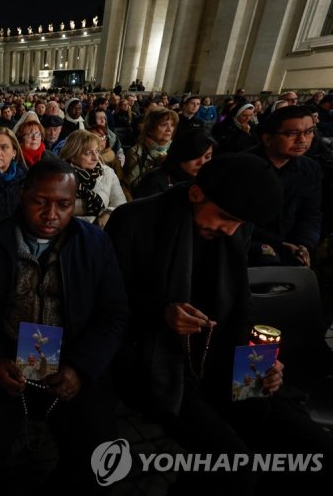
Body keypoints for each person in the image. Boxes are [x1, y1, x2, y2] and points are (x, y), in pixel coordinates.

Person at [105, 154, 333, 495]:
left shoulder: (235, 230)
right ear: (196, 194)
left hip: (222, 358)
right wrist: (162, 312)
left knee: (313, 448)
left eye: (239, 223)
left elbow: (240, 305)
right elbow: (109, 299)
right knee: (232, 466)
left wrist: (260, 365)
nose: (230, 230)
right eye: (226, 218)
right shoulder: (135, 220)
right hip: (154, 362)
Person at [0, 159, 128, 494]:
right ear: (22, 194)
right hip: (4, 363)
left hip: (70, 362)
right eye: (40, 202)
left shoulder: (94, 244)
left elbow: (114, 313)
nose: (51, 215)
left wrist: (81, 367)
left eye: (63, 205)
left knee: (97, 451)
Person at [249, 105, 322, 267]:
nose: (302, 140)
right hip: (249, 247)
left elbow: (311, 213)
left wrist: (304, 244)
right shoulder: (245, 166)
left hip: (293, 247)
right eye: (291, 134)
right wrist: (280, 243)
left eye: (309, 132)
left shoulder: (310, 169)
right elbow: (236, 219)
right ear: (267, 139)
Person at [59, 130, 126, 228]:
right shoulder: (59, 177)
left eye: (97, 151)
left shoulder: (107, 172)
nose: (95, 157)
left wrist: (108, 213)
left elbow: (121, 205)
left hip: (103, 231)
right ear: (72, 155)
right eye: (88, 153)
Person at [134, 130, 215, 198]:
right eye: (196, 157)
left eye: (207, 157)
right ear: (181, 155)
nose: (202, 162)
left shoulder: (207, 181)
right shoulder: (153, 181)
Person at [122, 107, 178, 195]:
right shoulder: (136, 152)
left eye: (172, 125)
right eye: (164, 125)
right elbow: (131, 187)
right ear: (150, 129)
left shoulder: (178, 149)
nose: (169, 130)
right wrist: (157, 169)